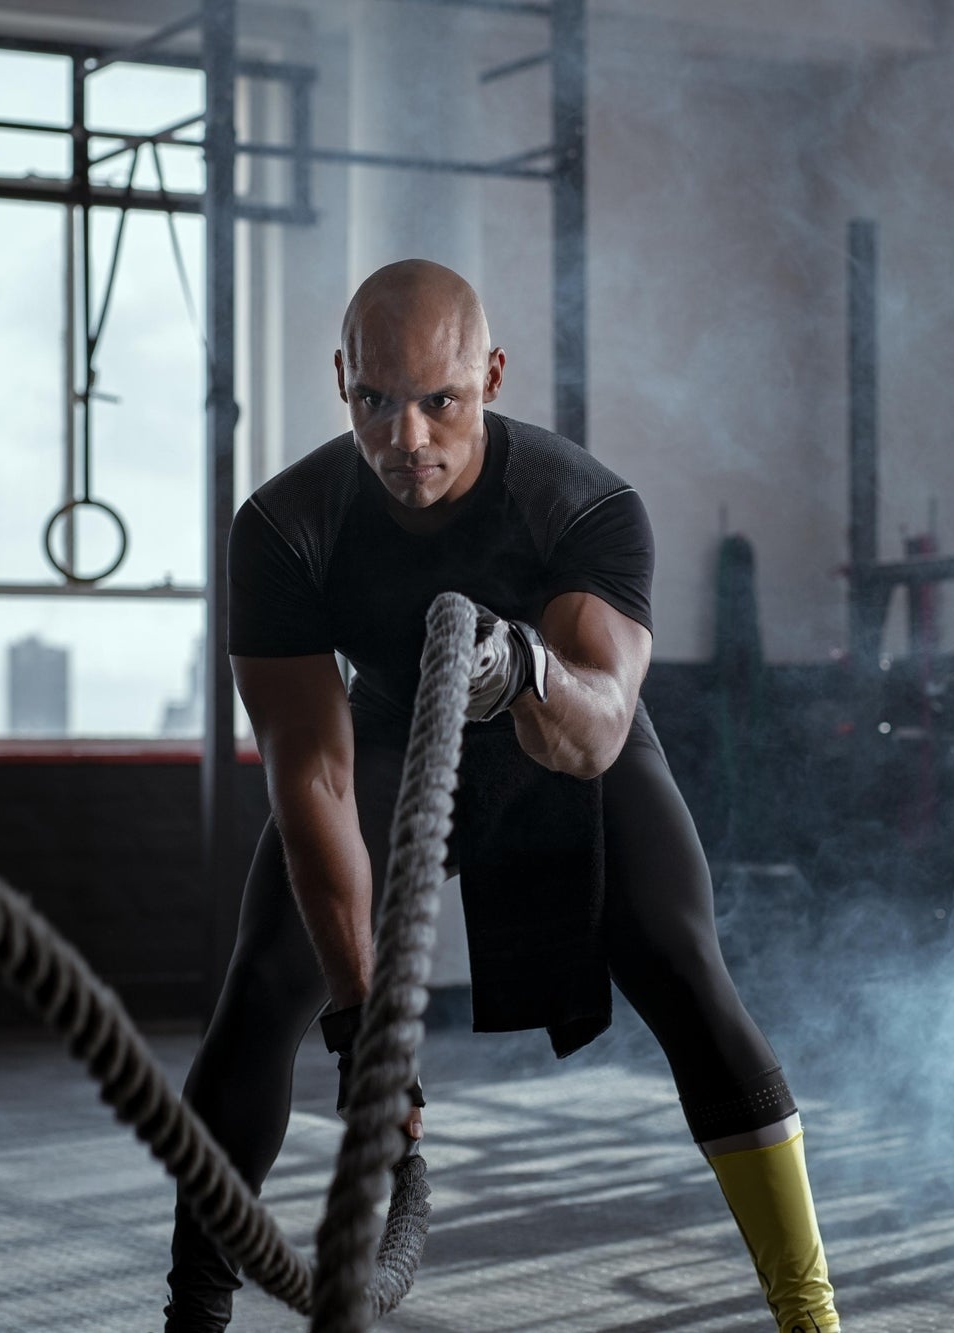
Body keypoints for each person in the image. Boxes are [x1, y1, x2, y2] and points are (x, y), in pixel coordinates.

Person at [163, 260, 840, 1333]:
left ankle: (810, 1318)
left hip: (558, 724)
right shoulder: (284, 529)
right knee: (265, 986)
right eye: (374, 402)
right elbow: (313, 771)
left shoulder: (581, 506)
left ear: (491, 374)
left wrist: (520, 667)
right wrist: (362, 1022)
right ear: (341, 380)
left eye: (441, 400)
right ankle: (191, 1317)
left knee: (680, 964)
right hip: (387, 730)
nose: (407, 439)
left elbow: (600, 727)